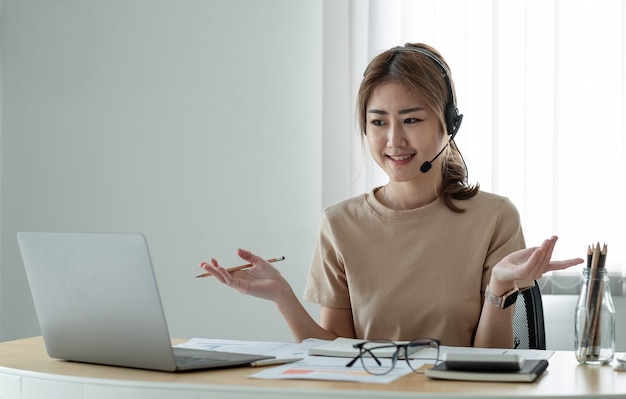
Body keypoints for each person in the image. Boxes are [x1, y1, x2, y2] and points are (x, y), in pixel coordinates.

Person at [200, 43, 583, 348]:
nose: (394, 140)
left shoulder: (495, 218)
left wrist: (500, 289)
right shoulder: (340, 223)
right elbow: (337, 355)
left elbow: (488, 365)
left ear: (449, 125)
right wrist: (283, 296)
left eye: (411, 120)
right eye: (378, 122)